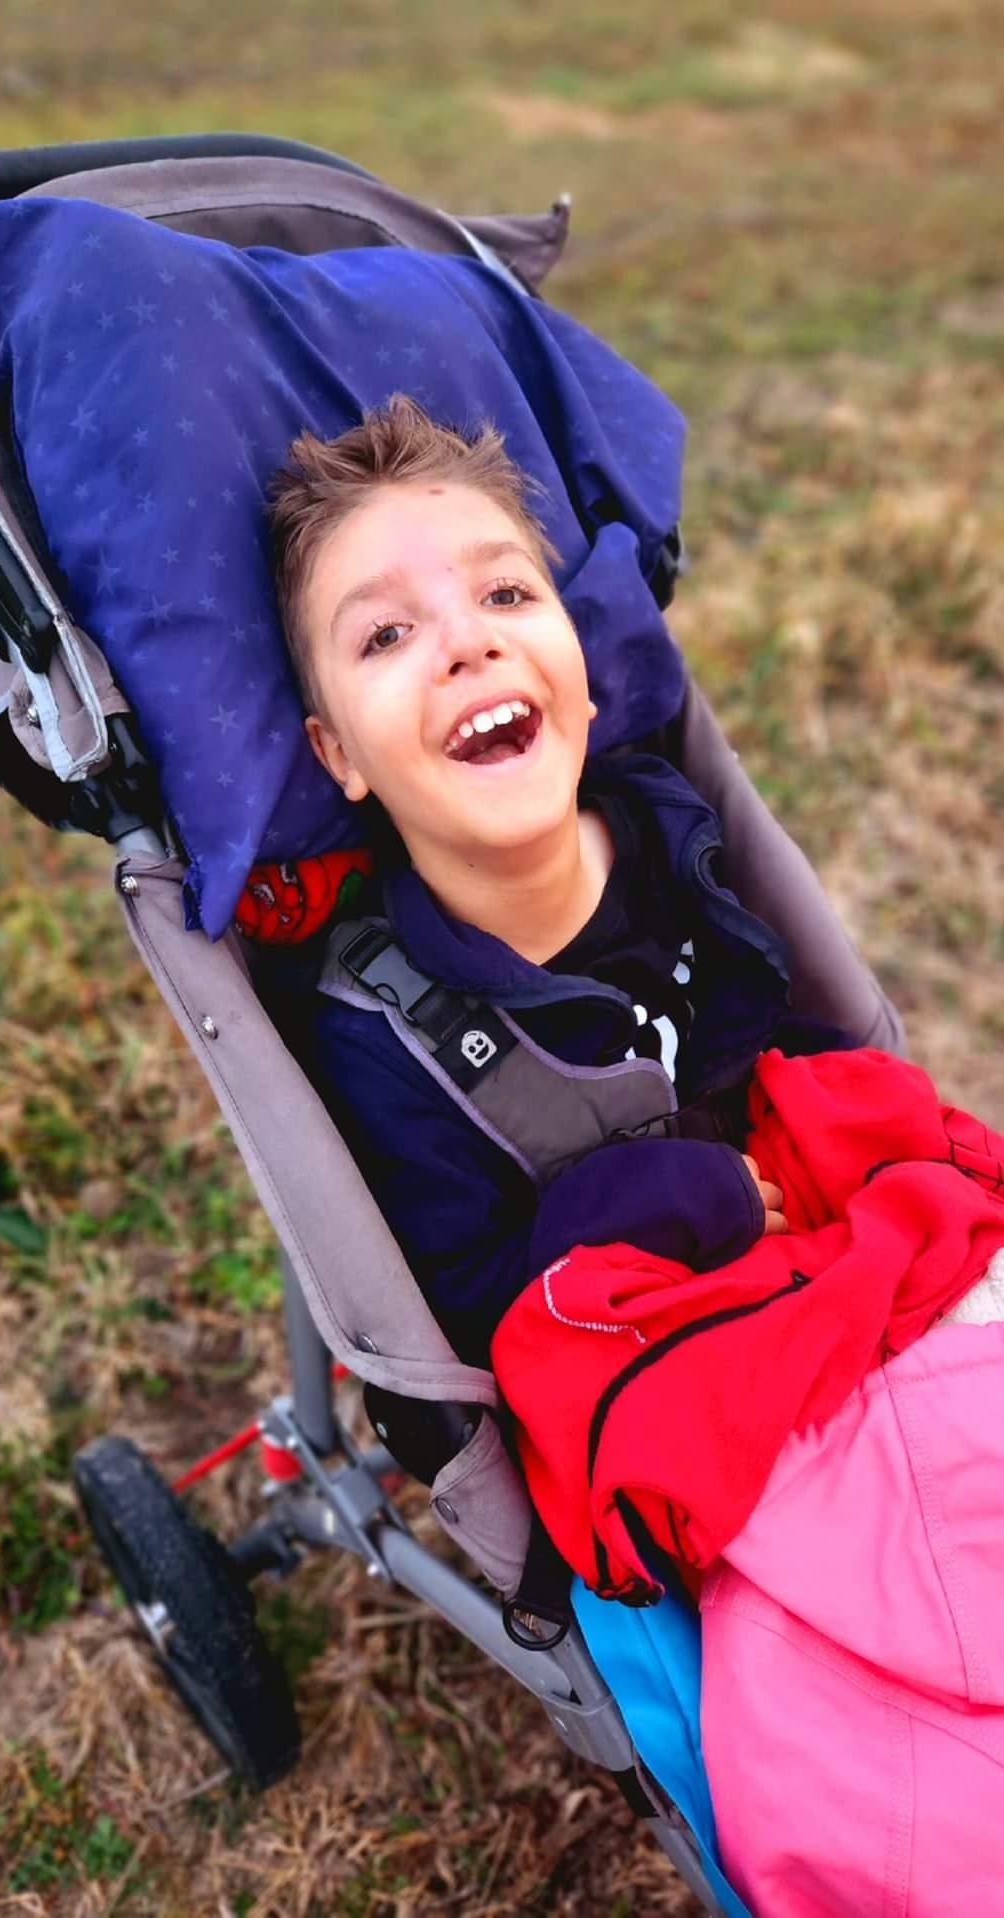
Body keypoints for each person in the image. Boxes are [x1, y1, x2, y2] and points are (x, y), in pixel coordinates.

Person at [262, 393, 900, 1365]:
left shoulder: (670, 827)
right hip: (648, 1366)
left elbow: (773, 1025)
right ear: (338, 752)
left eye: (506, 595)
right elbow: (468, 1311)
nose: (469, 642)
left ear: (583, 666)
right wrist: (656, 1200)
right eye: (386, 635)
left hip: (837, 1262)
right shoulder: (384, 1036)